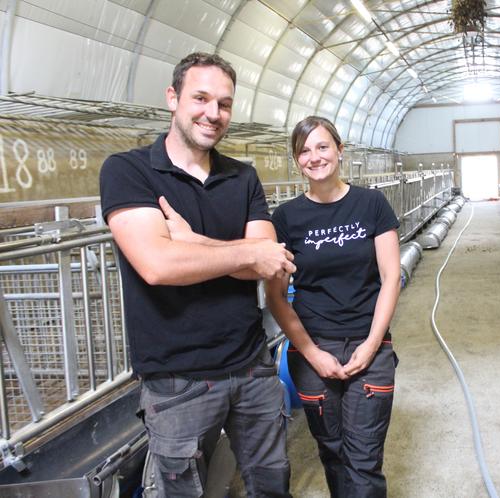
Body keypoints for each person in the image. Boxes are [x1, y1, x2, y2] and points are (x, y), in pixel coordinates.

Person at [99, 52, 296, 498]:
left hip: (252, 369)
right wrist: (242, 253)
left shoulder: (242, 176)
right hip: (176, 381)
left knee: (272, 485)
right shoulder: (128, 170)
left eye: (224, 103)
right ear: (173, 98)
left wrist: (190, 242)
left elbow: (268, 261)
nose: (213, 113)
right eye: (201, 98)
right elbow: (157, 266)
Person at [267, 116, 401, 497]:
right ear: (296, 161)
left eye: (323, 147)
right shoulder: (286, 218)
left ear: (340, 151)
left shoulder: (371, 204)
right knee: (333, 451)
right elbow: (275, 296)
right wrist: (312, 353)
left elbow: (391, 278)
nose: (315, 157)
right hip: (314, 352)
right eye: (304, 151)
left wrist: (372, 344)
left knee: (364, 459)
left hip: (369, 345)